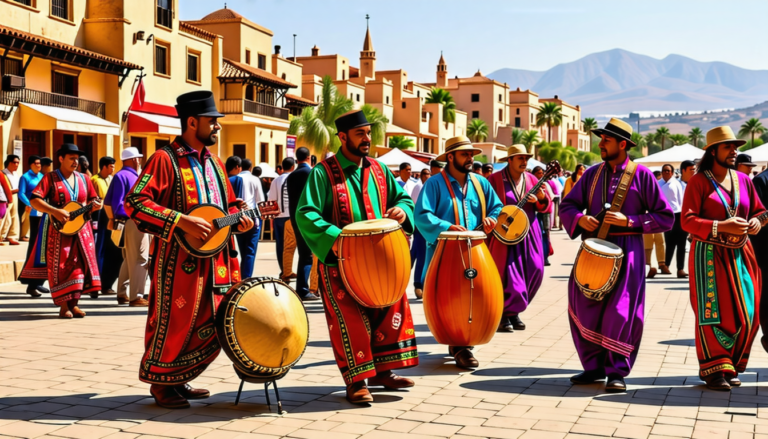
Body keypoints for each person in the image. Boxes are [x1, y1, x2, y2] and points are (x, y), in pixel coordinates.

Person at [125, 91, 254, 409]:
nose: (217, 128)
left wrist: (241, 218)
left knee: (216, 320)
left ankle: (179, 377)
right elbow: (136, 202)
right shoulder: (164, 159)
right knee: (175, 320)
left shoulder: (216, 164)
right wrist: (181, 221)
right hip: (177, 262)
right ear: (192, 122)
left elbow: (225, 208)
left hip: (218, 261)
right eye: (212, 122)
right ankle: (160, 382)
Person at [296, 110, 419, 404]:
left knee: (388, 311)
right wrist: (335, 239)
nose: (367, 139)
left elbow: (400, 197)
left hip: (381, 259)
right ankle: (356, 380)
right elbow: (306, 213)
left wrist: (403, 210)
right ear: (342, 138)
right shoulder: (322, 173)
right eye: (360, 134)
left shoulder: (379, 169)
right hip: (341, 263)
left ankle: (383, 371)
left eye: (368, 133)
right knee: (349, 321)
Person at [559, 118, 673, 393]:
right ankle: (594, 366)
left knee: (621, 314)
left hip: (629, 254)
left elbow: (666, 217)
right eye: (601, 139)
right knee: (582, 303)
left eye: (605, 140)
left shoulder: (643, 175)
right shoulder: (592, 174)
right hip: (593, 250)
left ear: (622, 145)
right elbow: (568, 205)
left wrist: (630, 221)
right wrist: (579, 219)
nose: (600, 144)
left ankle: (617, 371)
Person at [682, 126, 764, 391]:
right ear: (713, 151)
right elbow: (687, 220)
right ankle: (715, 369)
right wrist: (720, 226)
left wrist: (756, 222)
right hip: (707, 254)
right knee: (713, 312)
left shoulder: (744, 181)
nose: (734, 151)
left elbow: (762, 212)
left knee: (748, 312)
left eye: (734, 146)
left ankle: (734, 364)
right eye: (728, 146)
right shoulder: (699, 181)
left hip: (742, 253)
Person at [414, 135, 502, 369]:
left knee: (474, 295)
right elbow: (422, 215)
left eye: (472, 154)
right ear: (450, 157)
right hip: (445, 253)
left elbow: (497, 206)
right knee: (450, 299)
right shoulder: (433, 184)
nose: (470, 158)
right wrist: (447, 226)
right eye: (465, 154)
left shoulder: (481, 183)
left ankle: (464, 342)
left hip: (476, 251)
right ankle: (460, 345)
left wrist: (493, 218)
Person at [19, 144, 104, 318]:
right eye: (71, 158)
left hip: (82, 230)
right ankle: (63, 305)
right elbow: (35, 200)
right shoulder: (49, 178)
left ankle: (75, 304)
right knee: (62, 265)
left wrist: (97, 205)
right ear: (61, 159)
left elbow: (95, 199)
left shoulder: (84, 179)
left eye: (77, 159)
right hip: (58, 231)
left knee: (80, 265)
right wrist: (54, 211)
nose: (75, 162)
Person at [487, 146, 549, 333]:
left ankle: (514, 310)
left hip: (530, 232)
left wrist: (540, 198)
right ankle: (505, 314)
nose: (524, 161)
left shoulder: (532, 179)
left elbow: (545, 206)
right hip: (503, 234)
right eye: (520, 158)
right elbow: (487, 204)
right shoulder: (495, 179)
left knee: (536, 269)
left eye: (526, 158)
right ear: (510, 160)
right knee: (508, 274)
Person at [105, 147, 148, 307]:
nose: (139, 160)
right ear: (133, 159)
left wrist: (112, 218)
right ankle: (136, 296)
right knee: (140, 258)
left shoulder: (120, 176)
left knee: (128, 259)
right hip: (135, 220)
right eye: (138, 158)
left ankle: (122, 293)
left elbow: (109, 202)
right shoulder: (128, 176)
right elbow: (118, 203)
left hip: (126, 221)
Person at [287, 147, 319, 301]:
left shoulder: (291, 176)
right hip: (311, 218)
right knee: (310, 256)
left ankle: (303, 288)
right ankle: (304, 289)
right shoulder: (312, 173)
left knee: (303, 254)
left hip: (295, 218)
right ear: (309, 157)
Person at [17, 155, 49, 297]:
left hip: (44, 214)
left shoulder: (43, 176)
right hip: (34, 215)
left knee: (43, 248)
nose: (38, 166)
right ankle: (32, 282)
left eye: (40, 164)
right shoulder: (25, 177)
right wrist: (30, 204)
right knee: (35, 247)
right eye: (36, 163)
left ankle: (37, 282)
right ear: (30, 164)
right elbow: (21, 193)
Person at [91, 156, 116, 297]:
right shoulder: (95, 180)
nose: (113, 169)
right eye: (111, 166)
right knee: (98, 249)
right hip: (98, 217)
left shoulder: (112, 179)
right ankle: (95, 282)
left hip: (110, 216)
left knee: (109, 250)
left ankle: (107, 282)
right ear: (104, 167)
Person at [268, 157, 296, 280]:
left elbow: (271, 200)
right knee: (293, 246)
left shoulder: (275, 181)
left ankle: (284, 270)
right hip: (291, 216)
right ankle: (288, 270)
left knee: (281, 245)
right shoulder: (294, 178)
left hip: (279, 216)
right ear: (293, 167)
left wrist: (271, 218)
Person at [236, 158, 265, 279]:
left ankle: (240, 276)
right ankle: (246, 277)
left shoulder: (236, 178)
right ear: (251, 168)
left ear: (240, 167)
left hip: (237, 217)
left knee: (242, 249)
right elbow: (260, 201)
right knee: (250, 251)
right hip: (252, 217)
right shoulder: (255, 179)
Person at [659, 164, 687, 278]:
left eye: (668, 171)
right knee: (669, 242)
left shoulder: (677, 183)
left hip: (678, 213)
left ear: (672, 172)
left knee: (681, 243)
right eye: (664, 171)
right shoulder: (658, 183)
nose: (666, 173)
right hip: (665, 214)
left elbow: (681, 199)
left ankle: (680, 269)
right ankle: (666, 265)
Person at [533, 166, 555, 265]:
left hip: (545, 212)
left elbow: (552, 197)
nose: (540, 175)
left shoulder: (544, 184)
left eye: (542, 173)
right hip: (534, 213)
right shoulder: (530, 183)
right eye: (538, 173)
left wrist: (543, 197)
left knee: (545, 234)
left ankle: (545, 257)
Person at [0, 155, 20, 245]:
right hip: (6, 197)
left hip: (15, 196)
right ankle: (2, 236)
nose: (16, 164)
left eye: (18, 163)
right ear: (9, 162)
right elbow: (5, 188)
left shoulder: (16, 174)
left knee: (14, 216)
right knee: (5, 218)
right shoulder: (3, 173)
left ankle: (12, 236)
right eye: (14, 162)